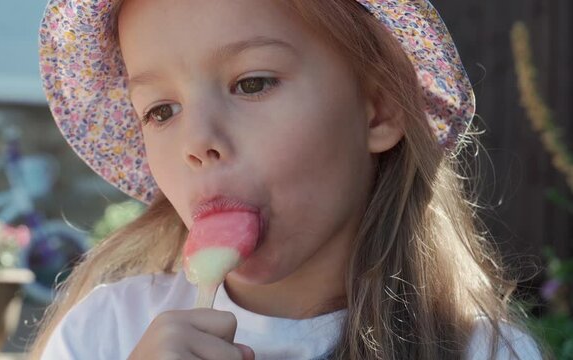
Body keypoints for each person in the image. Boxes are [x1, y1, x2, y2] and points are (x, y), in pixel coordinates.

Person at [30, 0, 544, 359]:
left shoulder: (483, 351)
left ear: (378, 109)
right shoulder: (106, 334)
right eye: (162, 111)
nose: (196, 141)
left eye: (251, 83)